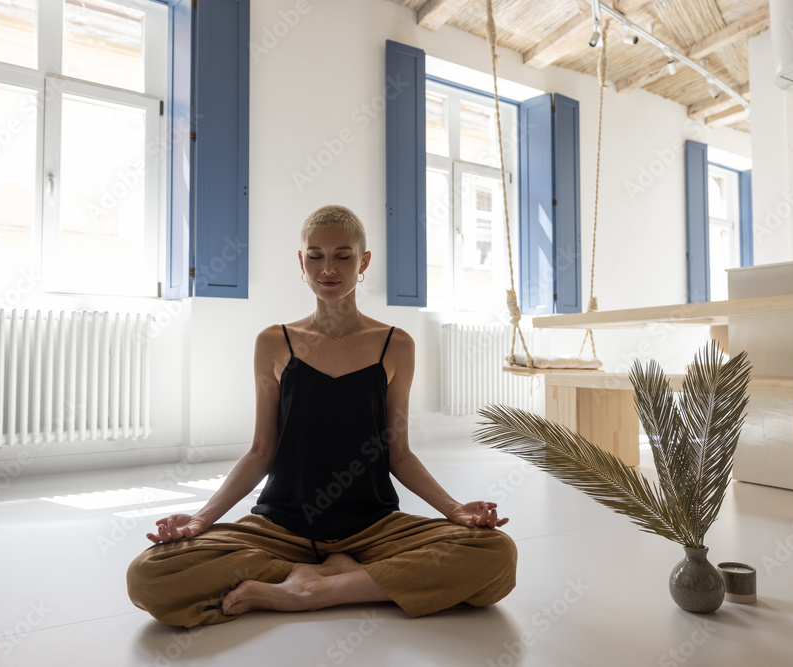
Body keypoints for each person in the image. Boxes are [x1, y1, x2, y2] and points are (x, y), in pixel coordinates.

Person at [126, 205, 517, 627]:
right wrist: (202, 519)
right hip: (282, 527)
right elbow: (261, 451)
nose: (328, 268)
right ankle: (328, 577)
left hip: (374, 527)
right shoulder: (273, 342)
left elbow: (398, 454)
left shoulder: (396, 344)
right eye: (315, 256)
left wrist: (455, 510)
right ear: (301, 262)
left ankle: (318, 589)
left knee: (497, 555)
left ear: (363, 261)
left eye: (343, 256)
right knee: (148, 575)